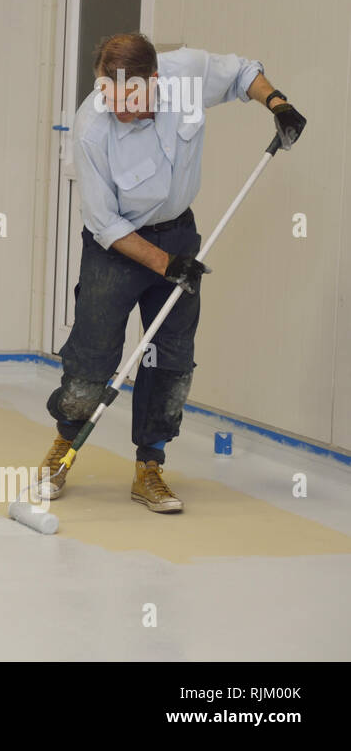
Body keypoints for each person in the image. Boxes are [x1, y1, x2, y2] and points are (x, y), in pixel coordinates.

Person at [39, 32, 304, 512]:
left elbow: (243, 72)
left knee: (170, 360)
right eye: (105, 92)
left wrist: (278, 104)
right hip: (116, 249)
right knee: (92, 361)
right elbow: (105, 223)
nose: (112, 104)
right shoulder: (92, 127)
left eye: (124, 96)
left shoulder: (185, 75)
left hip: (179, 232)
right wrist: (167, 265)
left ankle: (149, 467)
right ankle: (64, 446)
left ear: (154, 82)